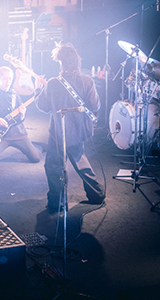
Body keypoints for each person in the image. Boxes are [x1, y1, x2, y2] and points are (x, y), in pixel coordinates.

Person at [35, 43, 105, 213]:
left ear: (61, 63)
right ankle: (96, 195)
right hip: (79, 132)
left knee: (54, 166)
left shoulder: (53, 83)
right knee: (81, 161)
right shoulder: (87, 81)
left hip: (58, 133)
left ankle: (57, 202)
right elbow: (95, 106)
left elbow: (43, 106)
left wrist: (38, 89)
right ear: (77, 61)